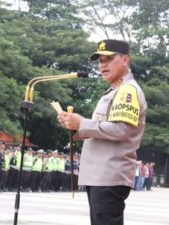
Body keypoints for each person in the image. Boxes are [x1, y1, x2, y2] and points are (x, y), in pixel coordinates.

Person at [57, 39, 147, 225]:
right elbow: (103, 130)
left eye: (109, 58)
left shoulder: (127, 91)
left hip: (109, 175)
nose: (103, 65)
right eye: (100, 60)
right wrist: (74, 125)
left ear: (125, 60)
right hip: (101, 175)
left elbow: (120, 130)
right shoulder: (113, 91)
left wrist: (82, 123)